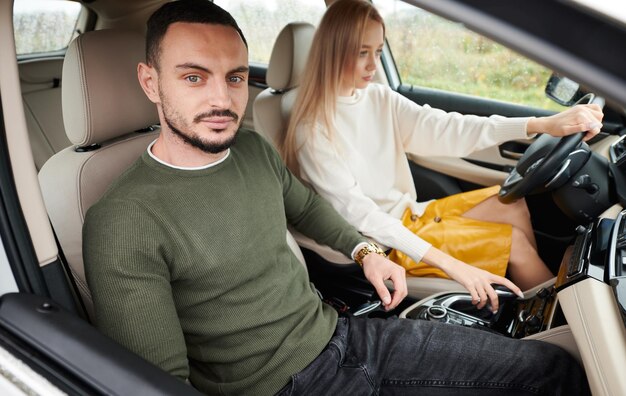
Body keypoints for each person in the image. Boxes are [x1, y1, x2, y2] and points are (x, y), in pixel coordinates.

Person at [83, 1, 590, 395]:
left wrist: (366, 252)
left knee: (553, 371)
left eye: (235, 77)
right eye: (194, 77)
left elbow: (307, 209)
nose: (221, 99)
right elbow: (157, 385)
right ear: (150, 82)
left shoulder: (253, 150)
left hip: (344, 337)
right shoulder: (125, 220)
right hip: (281, 385)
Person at [283, 0, 604, 301]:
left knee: (511, 203)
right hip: (385, 242)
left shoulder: (378, 98)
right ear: (333, 51)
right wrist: (452, 265)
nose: (372, 64)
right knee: (515, 245)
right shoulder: (312, 130)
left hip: (412, 214)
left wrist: (541, 124)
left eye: (378, 51)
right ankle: (559, 319)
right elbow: (360, 215)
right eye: (361, 52)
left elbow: (449, 127)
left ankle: (528, 303)